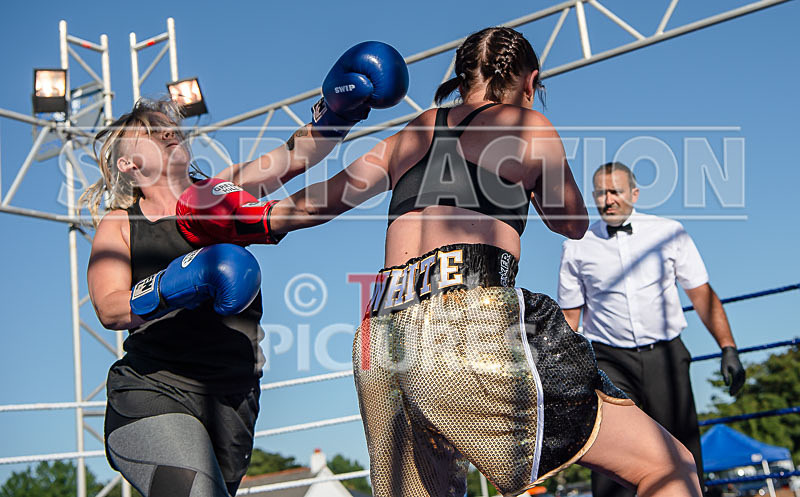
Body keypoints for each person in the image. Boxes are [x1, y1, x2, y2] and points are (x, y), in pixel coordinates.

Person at [212, 26, 702, 497]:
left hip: (380, 340)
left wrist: (235, 219)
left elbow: (319, 203)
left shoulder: (414, 130)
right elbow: (571, 223)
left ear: (462, 77)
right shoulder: (528, 125)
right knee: (668, 464)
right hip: (469, 322)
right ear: (530, 82)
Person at [83, 41, 409, 497]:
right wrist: (178, 280)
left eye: (169, 126)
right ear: (128, 163)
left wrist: (339, 112)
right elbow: (109, 307)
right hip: (153, 391)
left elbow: (295, 157)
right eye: (151, 131)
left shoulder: (219, 191)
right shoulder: (121, 224)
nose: (167, 131)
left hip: (233, 396)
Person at [557, 161, 746, 497]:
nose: (608, 199)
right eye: (600, 193)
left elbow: (702, 294)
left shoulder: (669, 231)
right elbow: (571, 317)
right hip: (609, 360)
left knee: (682, 451)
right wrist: (560, 375)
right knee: (614, 457)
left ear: (635, 193)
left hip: (666, 355)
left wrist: (728, 347)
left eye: (615, 191)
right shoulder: (577, 245)